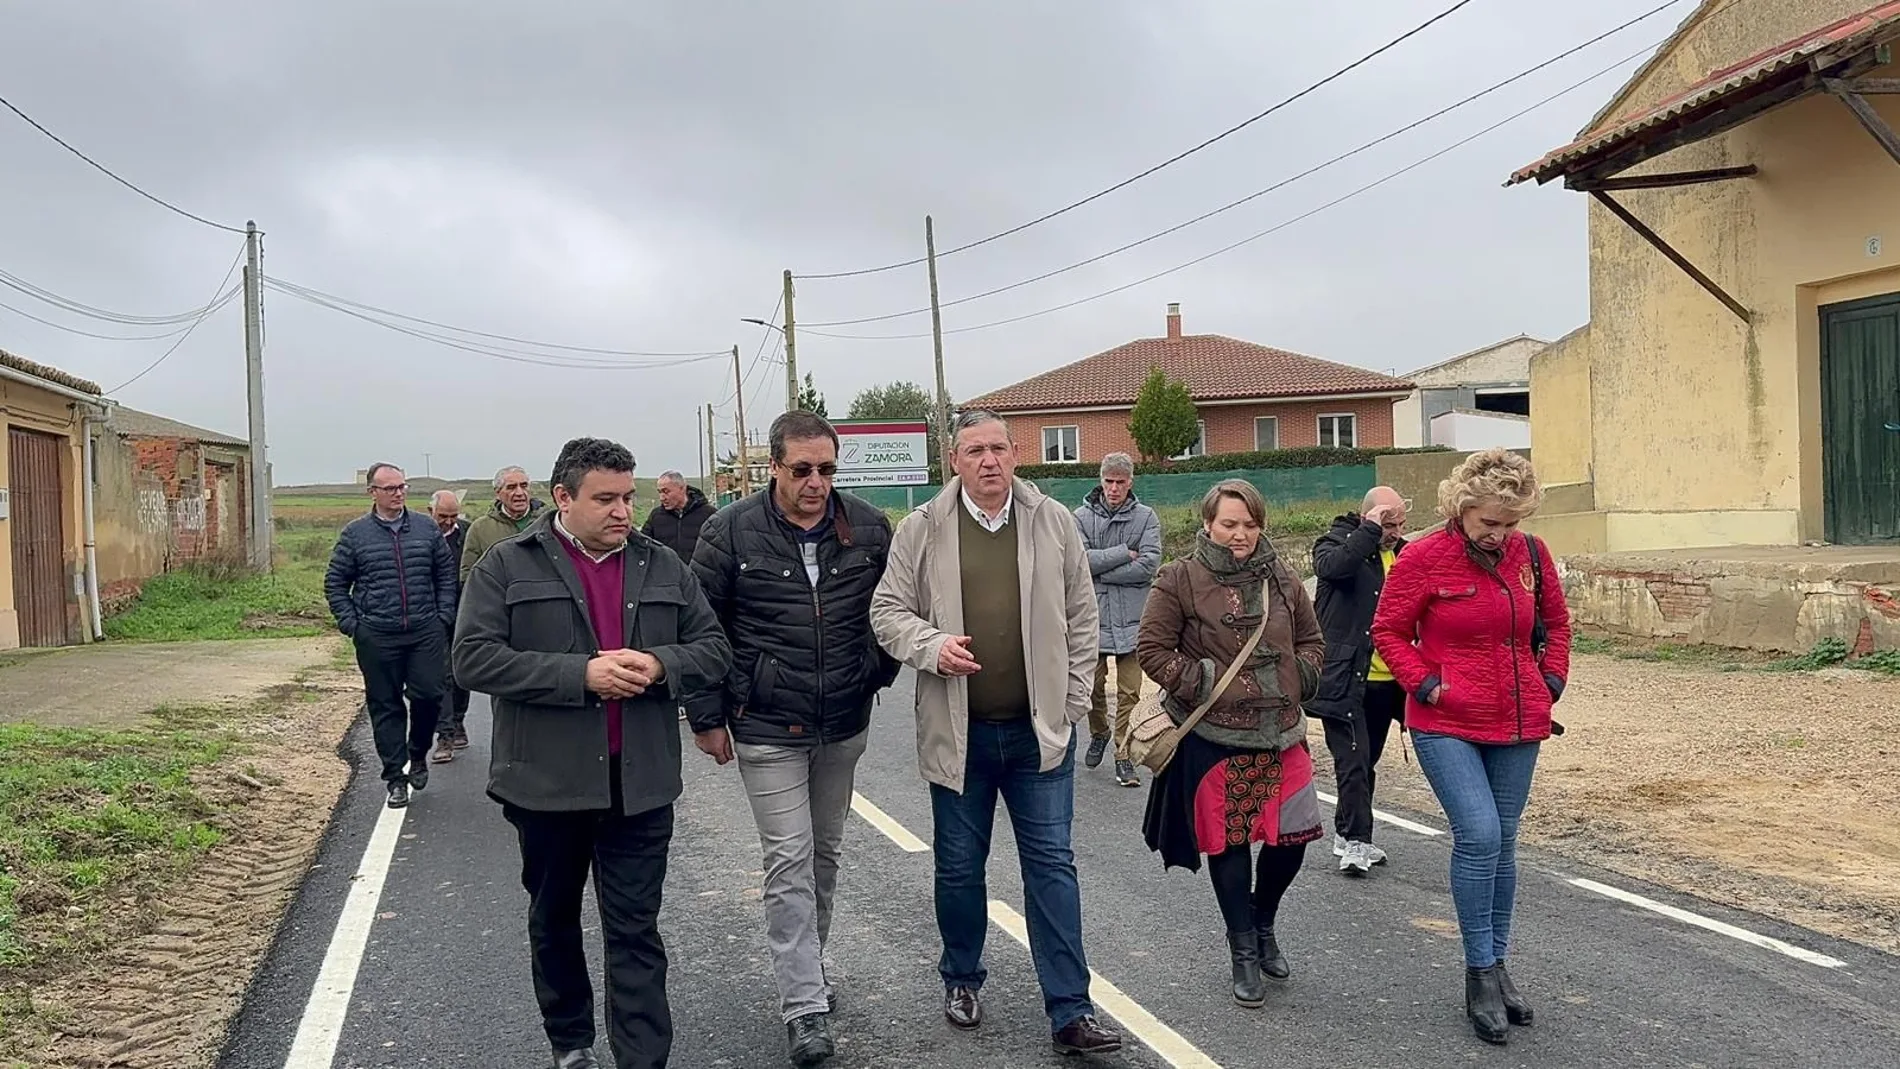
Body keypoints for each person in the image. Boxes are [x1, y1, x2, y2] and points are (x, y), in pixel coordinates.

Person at [454, 437, 732, 1069]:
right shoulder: (507, 564)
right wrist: (580, 675)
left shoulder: (662, 565)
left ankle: (643, 1059)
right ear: (562, 498)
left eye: (627, 497)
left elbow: (714, 647)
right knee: (553, 918)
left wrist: (662, 663)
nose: (621, 511)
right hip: (546, 785)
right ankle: (571, 1042)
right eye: (604, 498)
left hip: (641, 786)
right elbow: (471, 658)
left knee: (635, 929)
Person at [869, 410, 1122, 1058]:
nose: (989, 460)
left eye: (999, 448)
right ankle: (961, 978)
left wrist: (1070, 702)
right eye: (975, 449)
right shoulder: (923, 529)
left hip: (1039, 735)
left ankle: (1071, 1009)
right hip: (962, 735)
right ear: (953, 460)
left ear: (1015, 456)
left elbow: (1081, 613)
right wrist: (930, 645)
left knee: (1052, 870)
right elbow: (887, 611)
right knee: (958, 868)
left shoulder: (1052, 520)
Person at [688, 411, 899, 1069]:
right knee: (788, 856)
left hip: (843, 722)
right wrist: (706, 714)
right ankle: (803, 1005)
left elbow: (895, 608)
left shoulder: (867, 527)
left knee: (825, 855)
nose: (816, 482)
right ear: (772, 467)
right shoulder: (728, 531)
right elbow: (701, 625)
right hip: (765, 724)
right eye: (802, 469)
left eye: (828, 469)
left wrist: (874, 670)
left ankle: (812, 963)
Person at [1371, 448, 1570, 1047]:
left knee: (1505, 841)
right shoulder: (1425, 555)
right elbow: (1387, 630)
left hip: (1518, 719)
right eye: (1489, 523)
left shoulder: (1532, 555)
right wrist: (1427, 684)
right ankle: (1477, 971)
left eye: (1510, 524)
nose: (1500, 534)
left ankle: (1499, 965)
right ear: (1462, 509)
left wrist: (1551, 680)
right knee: (1479, 835)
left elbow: (1557, 625)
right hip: (1445, 720)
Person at [1135, 479, 1324, 1009]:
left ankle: (1263, 923)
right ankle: (1242, 946)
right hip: (1217, 735)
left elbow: (1313, 640)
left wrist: (1300, 678)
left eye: (1249, 524)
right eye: (1229, 524)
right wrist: (1204, 682)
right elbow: (1151, 647)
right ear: (1208, 524)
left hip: (1283, 732)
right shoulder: (1180, 578)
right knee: (1233, 841)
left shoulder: (1283, 577)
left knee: (1293, 838)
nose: (1239, 534)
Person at [324, 464, 458, 809]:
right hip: (377, 634)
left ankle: (418, 753)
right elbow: (336, 584)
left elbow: (445, 574)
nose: (398, 493)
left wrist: (443, 616)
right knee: (385, 706)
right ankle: (395, 778)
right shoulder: (356, 534)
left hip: (424, 630)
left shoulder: (426, 528)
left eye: (402, 487)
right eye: (390, 488)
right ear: (373, 492)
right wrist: (354, 625)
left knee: (429, 695)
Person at [1309, 485, 1410, 874]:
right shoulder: (1335, 542)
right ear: (1368, 517)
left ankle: (1345, 831)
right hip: (1344, 676)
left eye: (1401, 524)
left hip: (1387, 682)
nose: (1396, 532)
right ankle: (1356, 842)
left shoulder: (1401, 554)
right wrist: (1369, 531)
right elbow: (1332, 567)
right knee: (1351, 761)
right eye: (1389, 524)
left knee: (1366, 762)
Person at [1073, 452, 1161, 789]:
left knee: (1130, 692)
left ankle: (1123, 754)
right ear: (1100, 480)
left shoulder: (1146, 518)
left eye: (1120, 483)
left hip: (1133, 619)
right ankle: (1099, 731)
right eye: (1108, 482)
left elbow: (1150, 565)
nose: (1113, 489)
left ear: (1130, 483)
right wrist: (1125, 552)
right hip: (1092, 618)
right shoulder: (1079, 518)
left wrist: (1101, 569)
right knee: (1091, 687)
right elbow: (1079, 563)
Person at [427, 489, 473, 763]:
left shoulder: (467, 533)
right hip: (431, 615)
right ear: (430, 511)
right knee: (440, 674)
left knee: (461, 672)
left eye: (453, 516)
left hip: (464, 612)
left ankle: (458, 720)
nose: (448, 521)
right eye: (442, 516)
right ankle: (444, 734)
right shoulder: (421, 535)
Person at [461, 465, 546, 585]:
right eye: (511, 487)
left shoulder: (548, 523)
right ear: (498, 493)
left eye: (524, 486)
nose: (519, 493)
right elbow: (469, 575)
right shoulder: (479, 529)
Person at [643, 470, 716, 563]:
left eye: (666, 491)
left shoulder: (709, 514)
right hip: (667, 575)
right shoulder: (656, 516)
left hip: (698, 575)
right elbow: (643, 545)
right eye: (660, 492)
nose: (662, 498)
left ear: (682, 488)